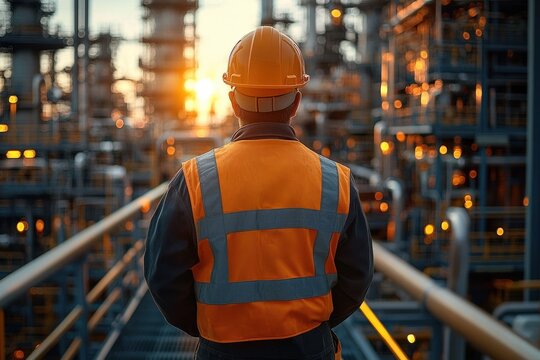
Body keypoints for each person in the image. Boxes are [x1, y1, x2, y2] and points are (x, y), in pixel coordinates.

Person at [144, 26, 373, 360]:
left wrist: (209, 325)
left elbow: (162, 274)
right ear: (296, 102)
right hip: (308, 349)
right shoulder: (335, 181)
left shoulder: (193, 179)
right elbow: (357, 276)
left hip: (223, 350)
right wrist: (311, 326)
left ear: (233, 100)